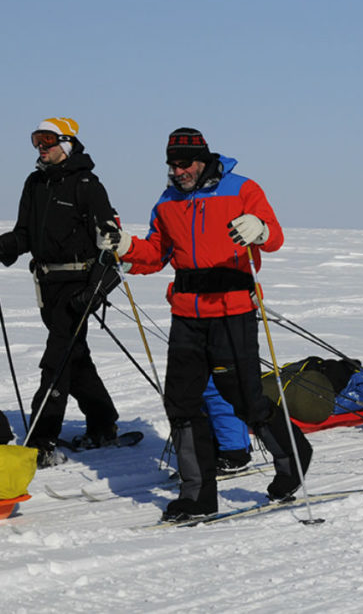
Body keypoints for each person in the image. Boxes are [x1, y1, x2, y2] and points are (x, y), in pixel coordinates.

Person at [99, 127, 312, 521]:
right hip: (186, 313)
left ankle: (293, 455)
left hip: (232, 310)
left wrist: (259, 230)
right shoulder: (167, 202)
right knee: (180, 402)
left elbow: (274, 237)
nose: (177, 172)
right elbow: (156, 254)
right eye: (172, 165)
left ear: (203, 159)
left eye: (184, 164)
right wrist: (126, 247)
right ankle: (196, 496)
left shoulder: (242, 189)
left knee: (244, 398)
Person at [0, 118, 123, 467]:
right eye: (36, 140)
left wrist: (96, 286)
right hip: (47, 286)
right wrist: (2, 246)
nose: (42, 146)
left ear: (67, 144)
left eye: (48, 140)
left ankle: (41, 439)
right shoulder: (35, 183)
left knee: (56, 360)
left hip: (79, 287)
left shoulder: (88, 185)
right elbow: (24, 235)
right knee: (74, 357)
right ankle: (103, 423)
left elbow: (108, 240)